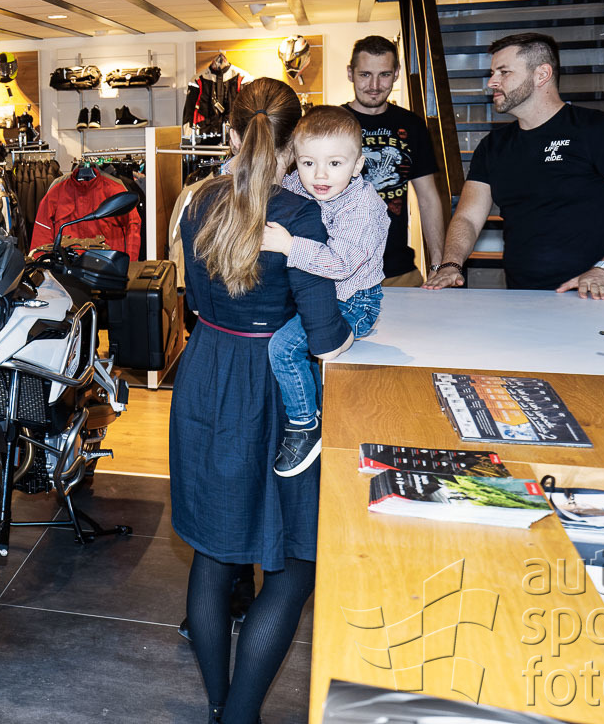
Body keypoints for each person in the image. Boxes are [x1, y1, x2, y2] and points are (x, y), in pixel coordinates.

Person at [171, 77, 353, 724]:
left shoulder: (196, 201)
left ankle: (221, 706)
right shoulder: (300, 217)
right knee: (296, 561)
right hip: (277, 389)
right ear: (295, 140)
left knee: (214, 551)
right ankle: (240, 716)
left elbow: (193, 300)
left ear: (227, 133)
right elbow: (325, 335)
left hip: (205, 371)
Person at [424, 32, 604, 295]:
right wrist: (451, 264)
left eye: (504, 72)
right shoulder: (493, 146)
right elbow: (467, 218)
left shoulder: (598, 131)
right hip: (520, 297)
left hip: (587, 298)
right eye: (492, 73)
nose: (491, 82)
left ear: (542, 74)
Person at [259, 106, 389, 477]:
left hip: (354, 302)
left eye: (334, 163)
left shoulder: (362, 208)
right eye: (308, 162)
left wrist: (289, 245)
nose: (319, 175)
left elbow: (341, 264)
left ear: (357, 165)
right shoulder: (299, 185)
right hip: (317, 296)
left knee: (283, 348)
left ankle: (304, 425)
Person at [342, 35, 445, 286]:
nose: (374, 85)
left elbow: (428, 198)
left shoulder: (412, 125)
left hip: (398, 271)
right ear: (350, 73)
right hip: (340, 270)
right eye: (365, 74)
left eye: (384, 75)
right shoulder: (331, 122)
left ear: (396, 73)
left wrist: (438, 265)